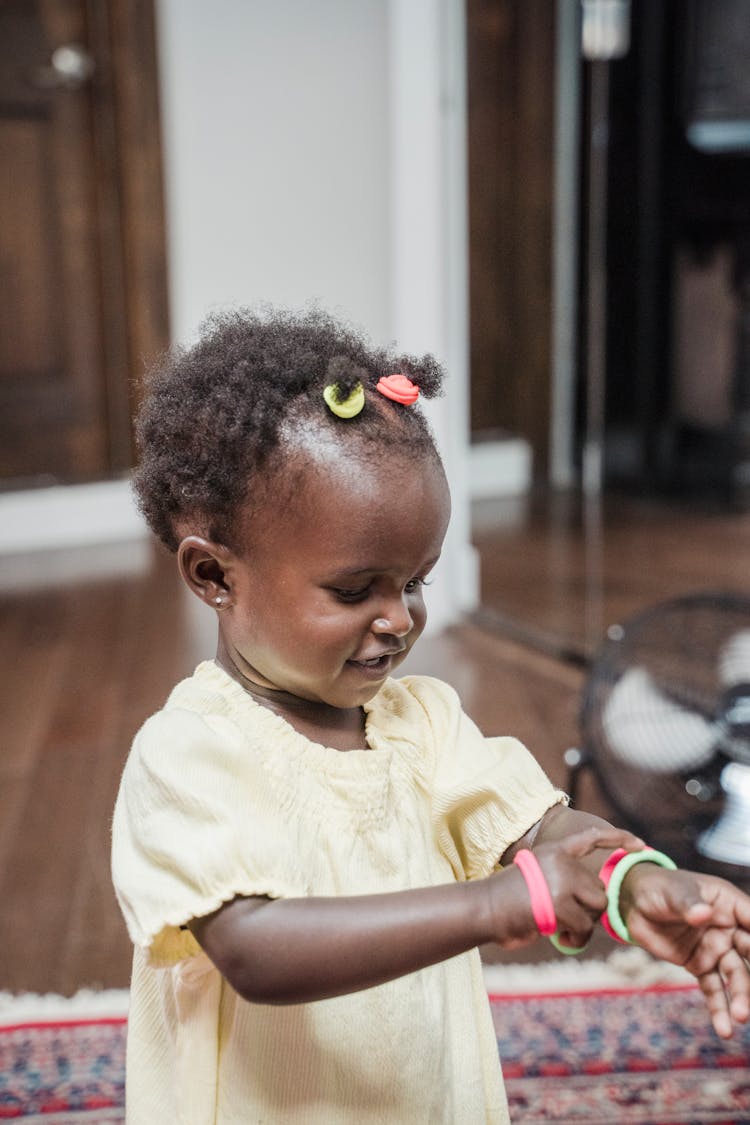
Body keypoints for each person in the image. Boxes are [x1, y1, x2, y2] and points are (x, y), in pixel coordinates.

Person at [112, 306, 750, 1125]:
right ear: (213, 575)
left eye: (415, 581)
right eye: (354, 590)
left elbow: (535, 828)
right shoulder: (188, 751)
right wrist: (498, 904)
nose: (399, 618)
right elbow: (253, 948)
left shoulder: (420, 720)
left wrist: (637, 881)